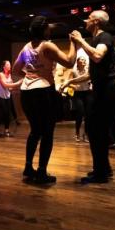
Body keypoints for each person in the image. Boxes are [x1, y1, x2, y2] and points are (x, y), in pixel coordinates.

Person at [13, 16, 77, 184]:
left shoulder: (26, 46)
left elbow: (15, 69)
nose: (50, 29)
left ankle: (28, 167)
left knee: (35, 131)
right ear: (44, 30)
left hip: (27, 92)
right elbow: (70, 62)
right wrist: (74, 43)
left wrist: (30, 75)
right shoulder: (47, 45)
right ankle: (41, 171)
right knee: (47, 132)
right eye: (48, 27)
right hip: (43, 91)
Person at [69, 10, 115, 184]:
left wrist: (80, 41)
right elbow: (92, 73)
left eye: (89, 18)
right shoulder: (95, 40)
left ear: (97, 22)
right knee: (95, 130)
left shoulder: (104, 37)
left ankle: (102, 172)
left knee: (96, 130)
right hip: (101, 90)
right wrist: (69, 82)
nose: (86, 21)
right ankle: (103, 169)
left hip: (107, 91)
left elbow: (98, 56)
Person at [60, 56, 91, 143]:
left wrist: (91, 85)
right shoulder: (73, 71)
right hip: (78, 94)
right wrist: (74, 86)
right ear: (77, 62)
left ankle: (86, 134)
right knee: (80, 113)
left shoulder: (87, 70)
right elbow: (68, 83)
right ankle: (77, 132)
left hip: (87, 93)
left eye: (85, 59)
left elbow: (90, 79)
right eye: (82, 59)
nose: (84, 60)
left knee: (88, 114)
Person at [0, 60, 22, 137]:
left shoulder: (9, 75)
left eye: (10, 64)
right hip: (0, 96)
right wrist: (17, 83)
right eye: (8, 64)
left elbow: (10, 88)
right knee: (1, 114)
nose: (10, 66)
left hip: (7, 96)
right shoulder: (0, 74)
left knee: (7, 113)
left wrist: (17, 88)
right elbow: (5, 85)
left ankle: (6, 130)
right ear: (4, 66)